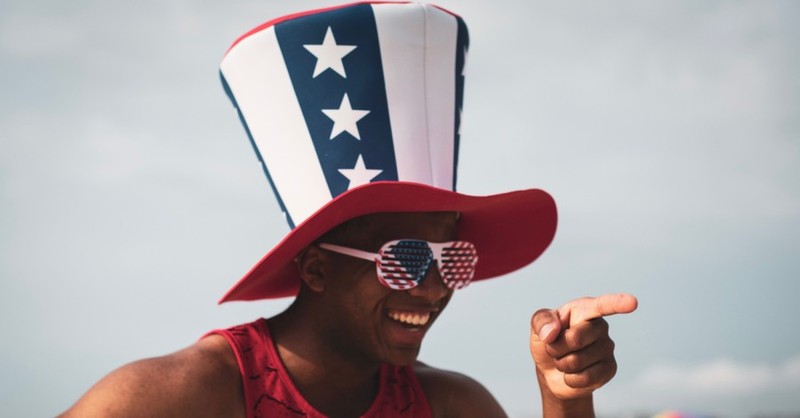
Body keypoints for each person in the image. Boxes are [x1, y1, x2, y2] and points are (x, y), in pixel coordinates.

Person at [60, 3, 637, 417]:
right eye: (405, 257)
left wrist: (564, 396)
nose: (435, 289)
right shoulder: (177, 397)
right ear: (315, 268)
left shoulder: (451, 405)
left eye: (451, 258)